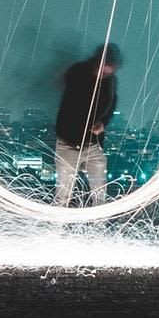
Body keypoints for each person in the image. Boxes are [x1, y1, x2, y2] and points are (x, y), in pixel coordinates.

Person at [53, 42, 120, 207]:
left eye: (112, 68)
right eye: (107, 66)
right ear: (99, 62)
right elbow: (75, 99)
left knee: (100, 195)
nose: (109, 71)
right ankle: (56, 229)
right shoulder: (79, 72)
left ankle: (99, 228)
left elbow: (111, 104)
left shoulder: (110, 81)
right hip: (68, 144)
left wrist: (102, 123)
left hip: (92, 146)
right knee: (63, 195)